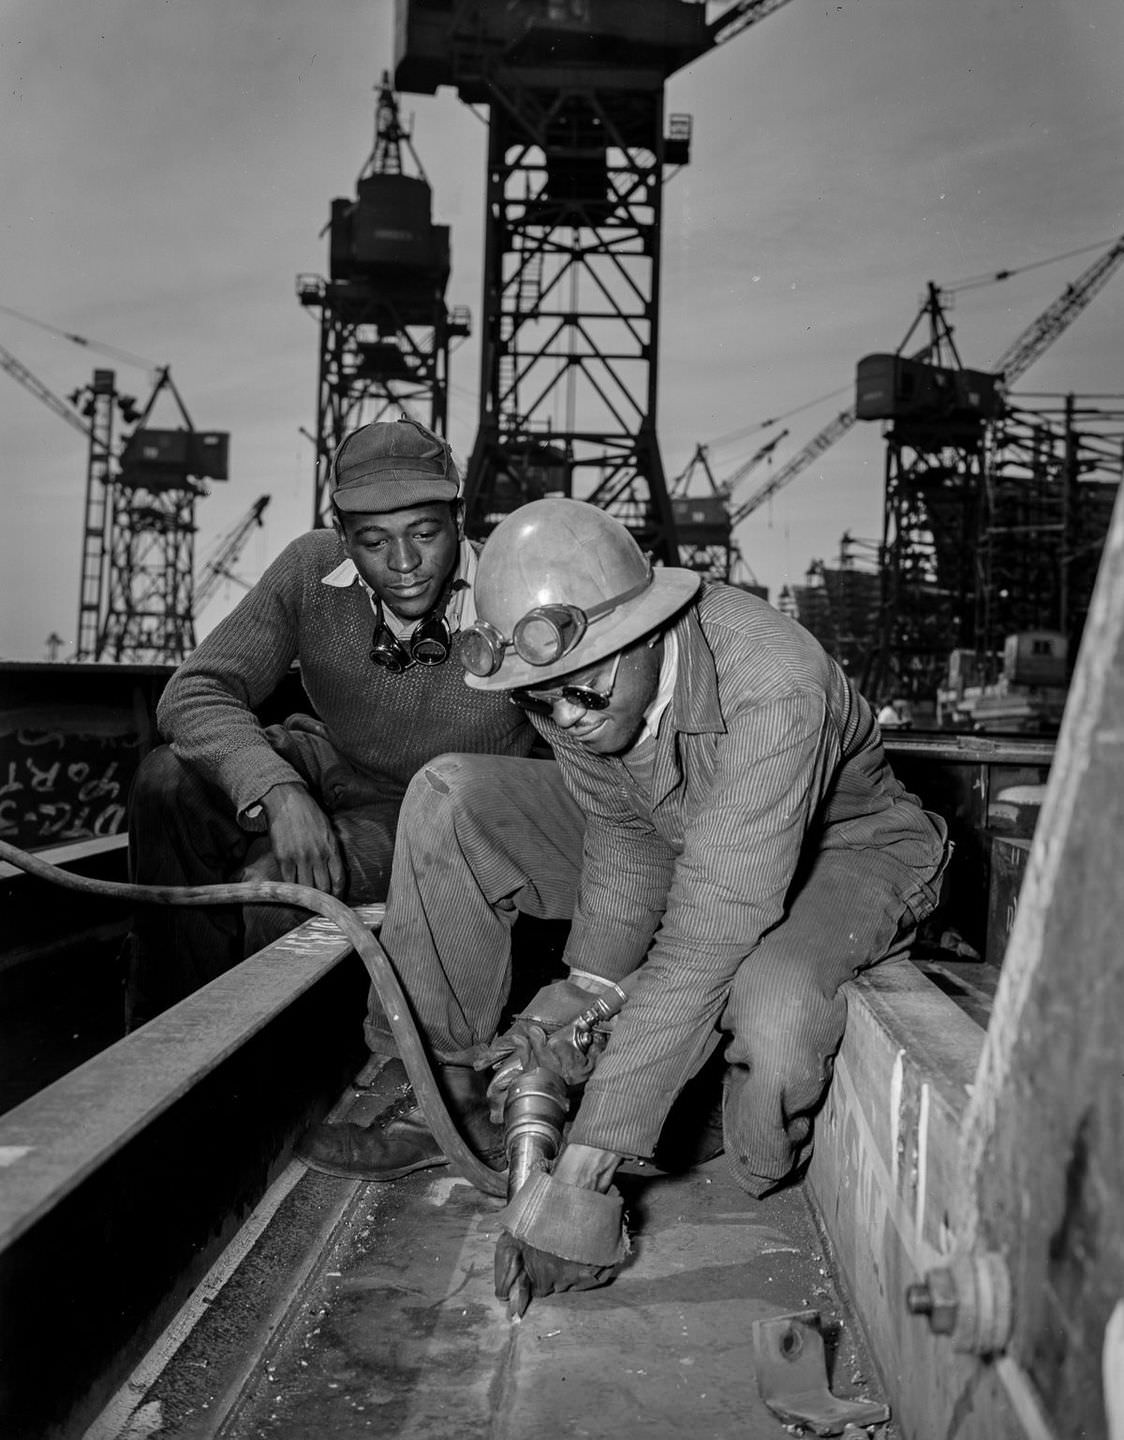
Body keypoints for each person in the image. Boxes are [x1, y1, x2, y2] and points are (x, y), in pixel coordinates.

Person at [298, 498, 948, 1304]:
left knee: (772, 1009)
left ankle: (716, 1138)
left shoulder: (774, 685)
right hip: (687, 839)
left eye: (583, 692)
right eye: (540, 701)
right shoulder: (574, 691)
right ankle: (451, 1093)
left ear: (645, 630)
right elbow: (624, 834)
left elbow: (710, 931)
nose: (564, 717)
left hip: (843, 851)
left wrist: (590, 1164)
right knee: (454, 797)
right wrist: (594, 983)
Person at [125, 417, 537, 1029]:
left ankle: (282, 1093)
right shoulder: (309, 570)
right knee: (165, 780)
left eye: (425, 532)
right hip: (341, 769)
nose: (404, 564)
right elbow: (193, 691)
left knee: (278, 895)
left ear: (459, 516)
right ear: (342, 536)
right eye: (374, 541)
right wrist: (277, 790)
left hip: (448, 809)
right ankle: (171, 1043)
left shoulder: (520, 590)